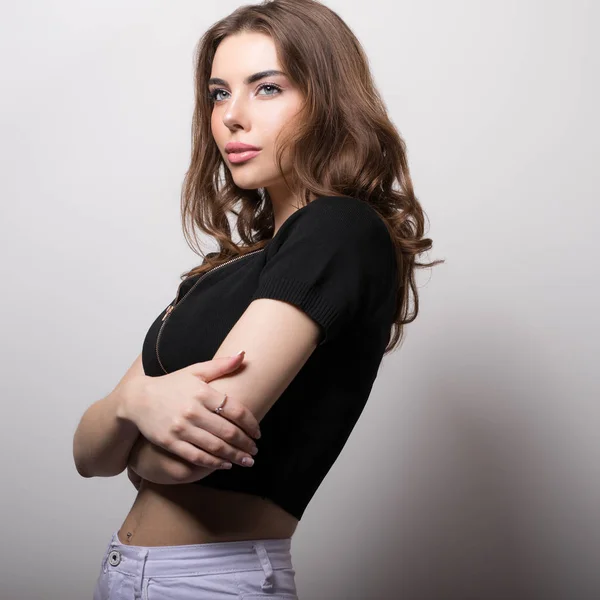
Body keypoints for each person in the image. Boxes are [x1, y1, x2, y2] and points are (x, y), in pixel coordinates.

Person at [73, 1, 442, 598]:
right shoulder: (232, 269)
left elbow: (183, 459)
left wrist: (124, 421)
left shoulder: (339, 229)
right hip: (134, 575)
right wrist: (137, 402)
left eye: (267, 88)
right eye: (219, 94)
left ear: (328, 99)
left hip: (207, 583)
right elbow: (87, 453)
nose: (231, 118)